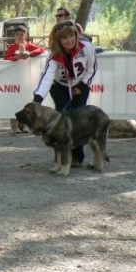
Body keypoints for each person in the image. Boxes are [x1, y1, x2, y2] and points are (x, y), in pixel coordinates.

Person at [33, 21, 97, 165]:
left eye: (71, 36)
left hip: (81, 83)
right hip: (59, 86)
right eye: (64, 38)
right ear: (58, 40)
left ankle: (77, 157)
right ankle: (63, 155)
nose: (69, 40)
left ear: (76, 35)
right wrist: (37, 100)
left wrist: (82, 85)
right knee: (63, 118)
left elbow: (91, 69)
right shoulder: (53, 55)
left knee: (79, 118)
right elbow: (47, 78)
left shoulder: (87, 47)